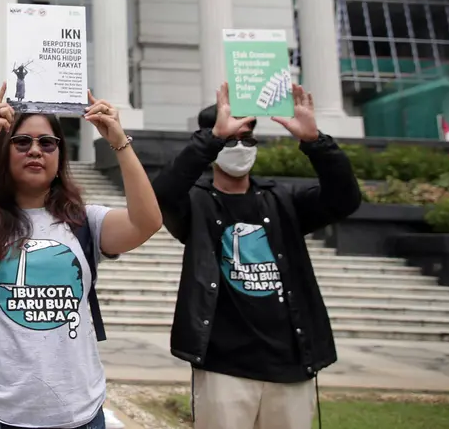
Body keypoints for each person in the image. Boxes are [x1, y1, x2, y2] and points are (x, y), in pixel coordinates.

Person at [0, 86, 163, 429]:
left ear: (59, 154)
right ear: (4, 152)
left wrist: (119, 141)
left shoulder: (86, 221)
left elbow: (147, 223)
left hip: (77, 412)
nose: (35, 150)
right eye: (22, 142)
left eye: (47, 143)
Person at [149, 83, 360, 429]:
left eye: (248, 139)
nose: (241, 147)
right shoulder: (196, 204)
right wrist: (212, 139)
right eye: (231, 140)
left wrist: (315, 142)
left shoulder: (282, 200)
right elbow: (160, 195)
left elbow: (345, 199)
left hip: (291, 365)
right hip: (224, 367)